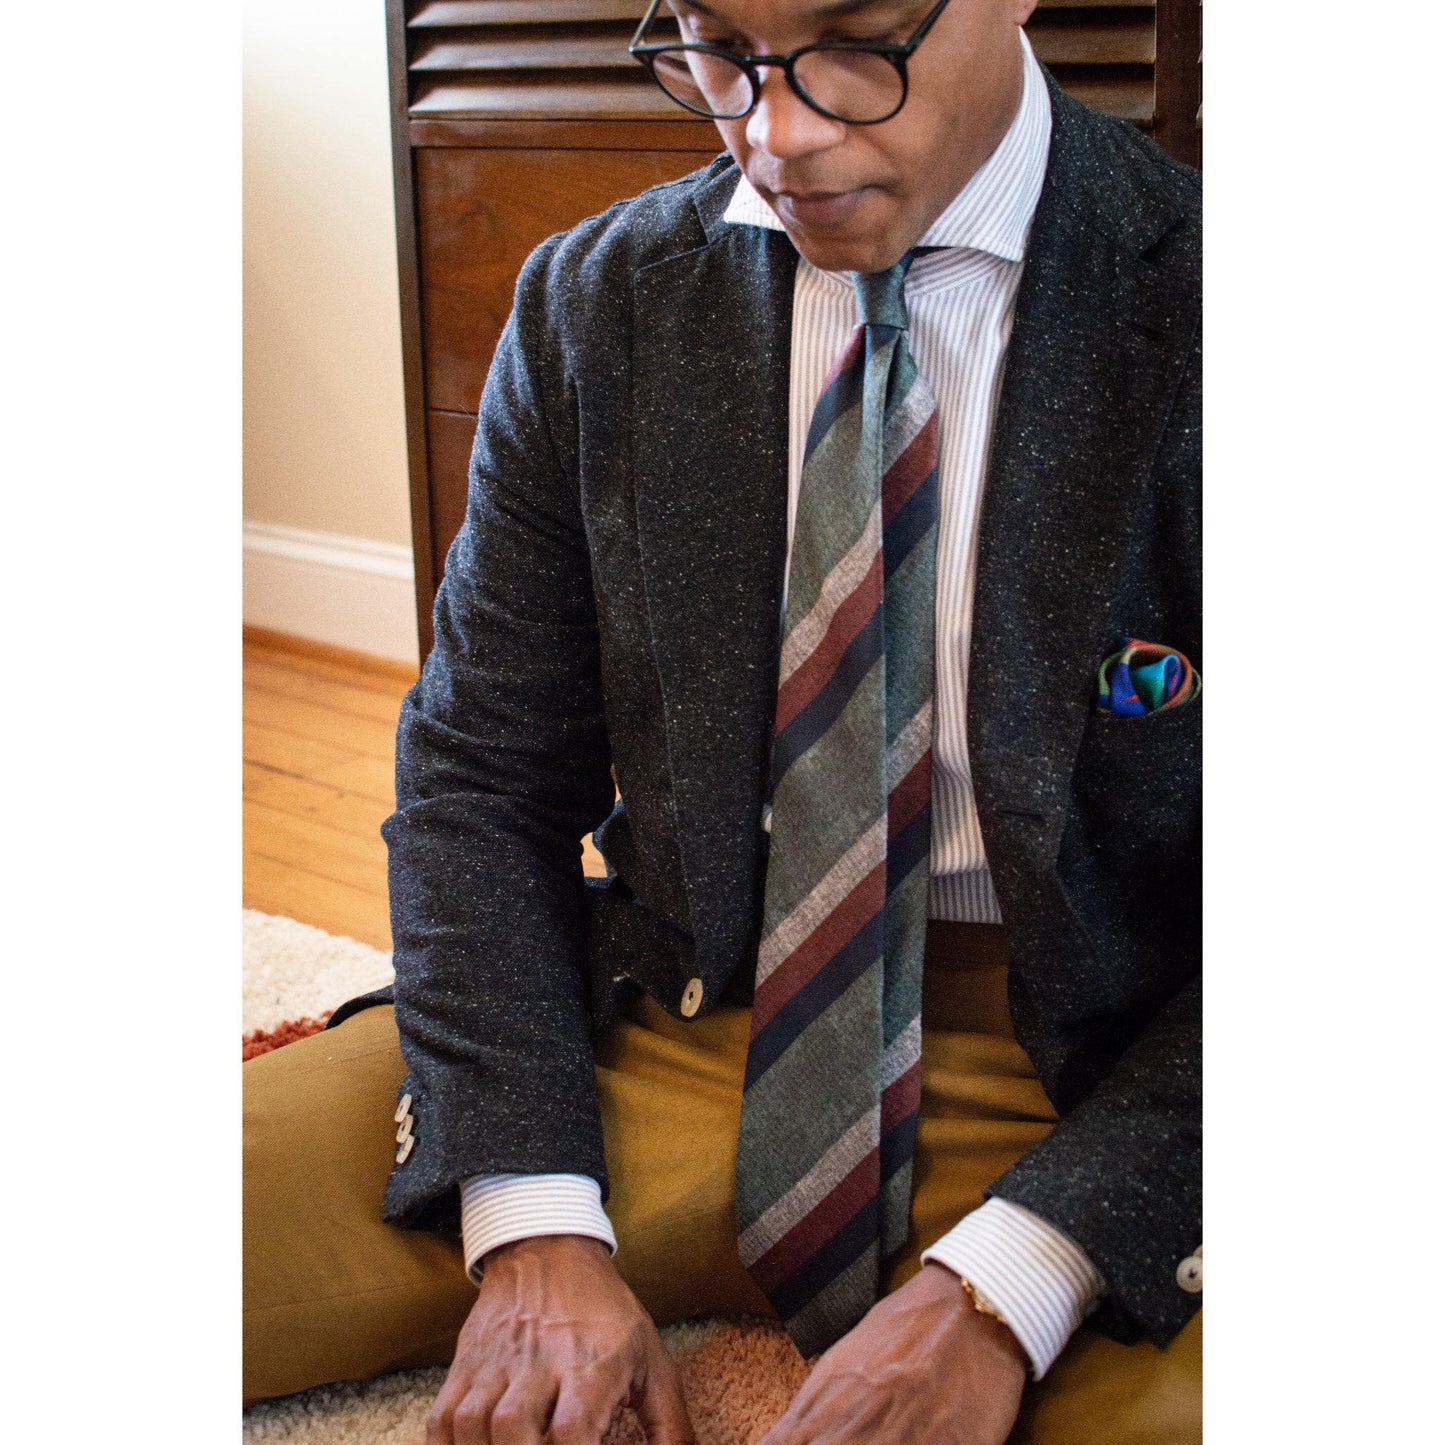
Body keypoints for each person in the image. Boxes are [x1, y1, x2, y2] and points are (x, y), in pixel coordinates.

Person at [243, 0, 1202, 1440]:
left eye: (859, 37)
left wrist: (1012, 1279)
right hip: (679, 1017)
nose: (777, 130)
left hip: (1104, 1071)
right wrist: (530, 1220)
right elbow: (482, 779)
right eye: (713, 45)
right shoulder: (596, 301)